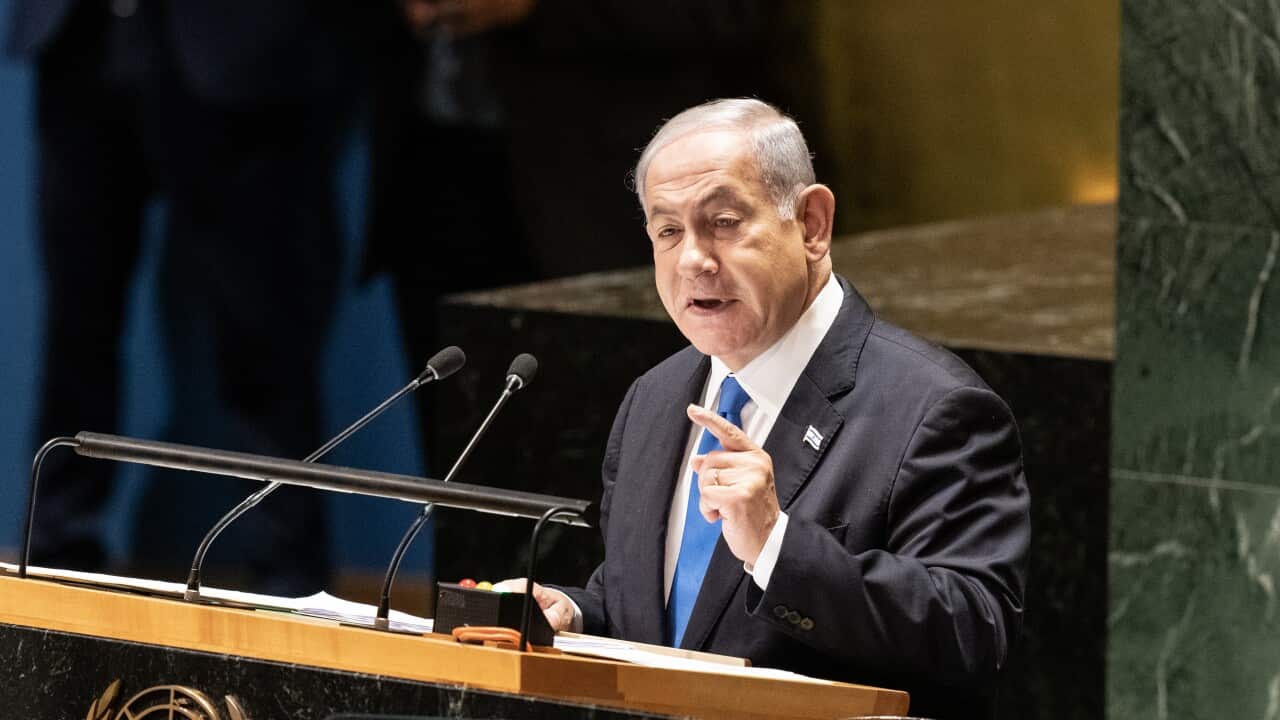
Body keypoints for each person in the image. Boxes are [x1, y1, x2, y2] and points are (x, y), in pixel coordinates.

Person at [498, 99, 1030, 719]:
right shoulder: (656, 396)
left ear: (812, 224)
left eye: (722, 221)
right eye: (668, 231)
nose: (692, 259)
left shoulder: (935, 407)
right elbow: (672, 616)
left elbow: (974, 632)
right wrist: (577, 614)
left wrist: (777, 545)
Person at [9, 0, 367, 593]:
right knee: (75, 328)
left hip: (236, 46)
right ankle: (53, 556)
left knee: (264, 330)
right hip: (80, 39)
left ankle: (288, 571)